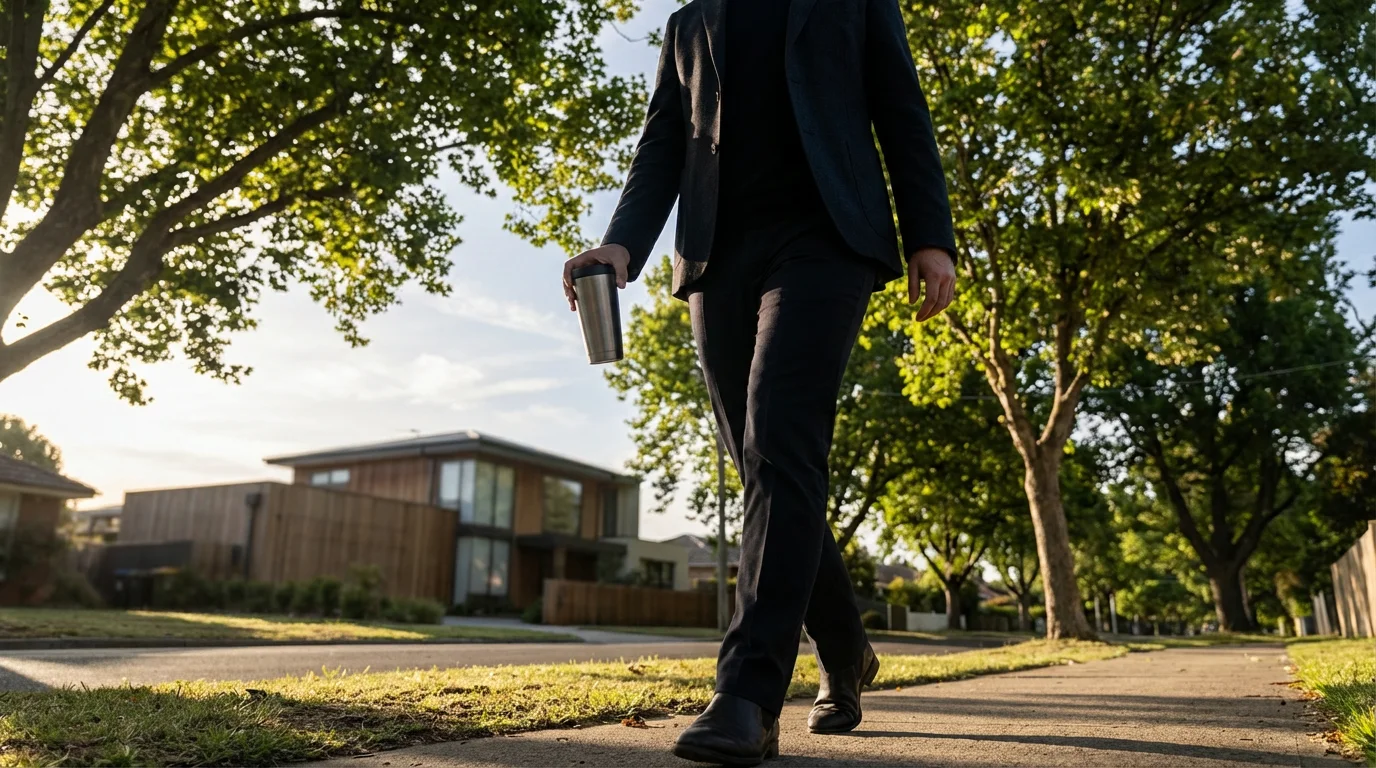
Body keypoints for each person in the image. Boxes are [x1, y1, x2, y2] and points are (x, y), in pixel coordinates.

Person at [561, 0, 956, 763]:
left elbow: (901, 112)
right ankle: (847, 650)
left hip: (829, 240)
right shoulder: (687, 23)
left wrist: (929, 236)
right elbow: (664, 143)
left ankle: (747, 694)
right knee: (765, 469)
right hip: (717, 256)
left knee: (780, 436)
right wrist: (621, 245)